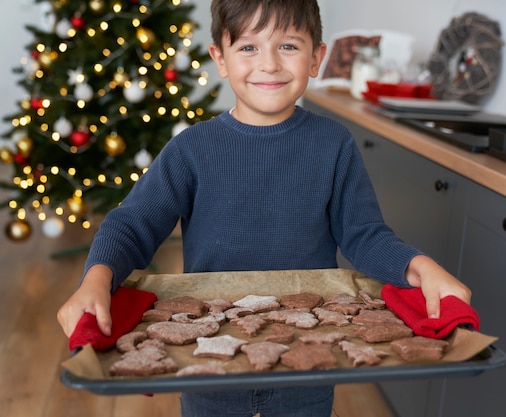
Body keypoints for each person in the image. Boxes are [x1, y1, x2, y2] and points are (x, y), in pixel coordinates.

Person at [57, 0, 471, 416]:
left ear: (316, 58)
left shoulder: (334, 144)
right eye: (249, 47)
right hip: (211, 360)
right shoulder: (191, 149)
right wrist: (96, 279)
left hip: (306, 359)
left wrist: (420, 268)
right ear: (220, 57)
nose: (269, 64)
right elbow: (132, 225)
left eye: (288, 46)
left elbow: (365, 234)